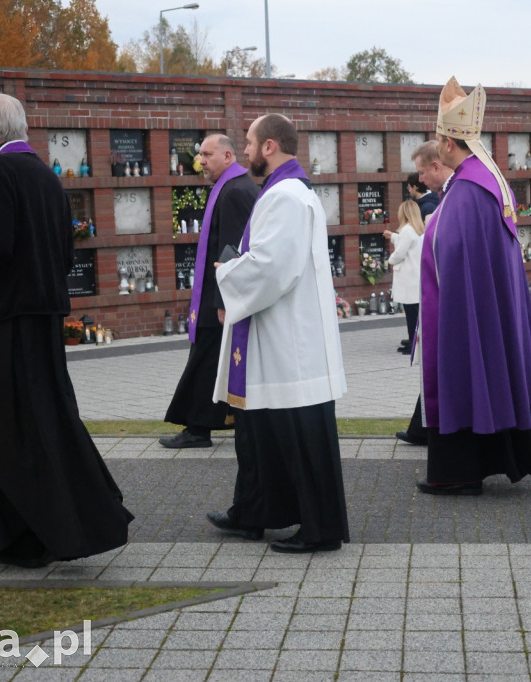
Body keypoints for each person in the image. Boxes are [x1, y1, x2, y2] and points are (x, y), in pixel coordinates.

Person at [0, 93, 133, 567]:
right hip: (45, 319)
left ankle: (22, 535)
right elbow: (65, 253)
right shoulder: (48, 176)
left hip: (3, 322)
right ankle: (69, 525)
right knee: (45, 421)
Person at [207, 113, 349, 553]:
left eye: (249, 143)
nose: (245, 150)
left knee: (299, 436)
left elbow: (273, 266)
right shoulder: (284, 191)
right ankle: (256, 511)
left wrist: (227, 273)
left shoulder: (286, 195)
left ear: (270, 146)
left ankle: (319, 529)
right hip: (278, 335)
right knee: (260, 429)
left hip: (290, 342)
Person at [415, 77, 531, 496]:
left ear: (447, 144)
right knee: (481, 375)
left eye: (438, 137)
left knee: (465, 373)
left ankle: (459, 472)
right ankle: (479, 464)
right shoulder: (482, 180)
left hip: (463, 311)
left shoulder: (466, 190)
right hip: (475, 303)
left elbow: (452, 251)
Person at [160, 134, 258, 448]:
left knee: (204, 360)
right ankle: (209, 423)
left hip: (219, 298)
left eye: (207, 154)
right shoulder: (229, 187)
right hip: (217, 295)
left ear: (228, 156)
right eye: (200, 154)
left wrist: (223, 301)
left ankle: (198, 429)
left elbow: (231, 251)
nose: (201, 160)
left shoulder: (234, 192)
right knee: (209, 360)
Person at [395, 141, 456, 447]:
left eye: (421, 172)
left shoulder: (442, 203)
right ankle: (423, 428)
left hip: (446, 300)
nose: (419, 180)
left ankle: (426, 429)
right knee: (433, 369)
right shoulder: (443, 199)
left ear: (435, 165)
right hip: (434, 295)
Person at [384, 200, 424, 356]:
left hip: (408, 278)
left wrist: (389, 260)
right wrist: (393, 236)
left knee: (411, 314)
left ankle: (413, 343)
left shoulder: (407, 230)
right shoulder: (416, 229)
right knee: (413, 312)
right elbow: (405, 242)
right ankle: (412, 339)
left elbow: (400, 253)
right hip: (415, 277)